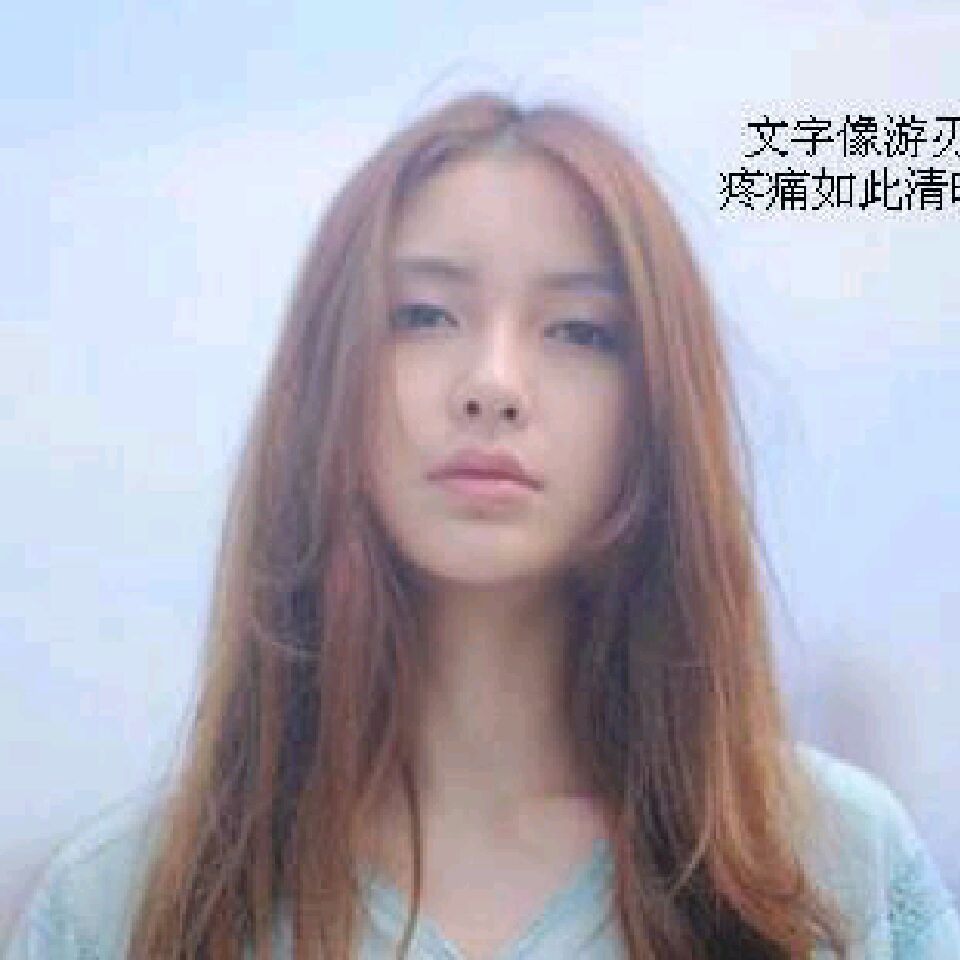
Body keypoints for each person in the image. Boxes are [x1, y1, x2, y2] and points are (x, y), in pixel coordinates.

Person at [5, 92, 959, 960]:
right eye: (424, 315)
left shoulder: (831, 867)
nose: (493, 383)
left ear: (657, 409)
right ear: (326, 376)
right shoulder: (124, 907)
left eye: (579, 329)